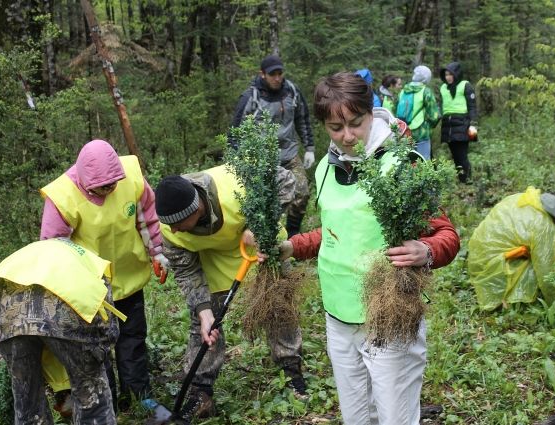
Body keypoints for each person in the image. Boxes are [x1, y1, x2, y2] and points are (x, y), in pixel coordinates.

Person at [273, 72, 460, 425]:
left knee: (395, 416)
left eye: (356, 123)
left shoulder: (402, 164)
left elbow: (447, 234)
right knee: (356, 416)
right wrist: (291, 246)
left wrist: (426, 250)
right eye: (335, 128)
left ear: (371, 112)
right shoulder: (326, 170)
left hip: (387, 316)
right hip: (338, 315)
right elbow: (335, 233)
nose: (347, 136)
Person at [154, 164, 305, 422]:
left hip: (260, 251)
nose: (174, 230)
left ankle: (291, 371)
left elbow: (289, 182)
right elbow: (186, 271)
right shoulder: (171, 227)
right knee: (204, 326)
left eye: (179, 224)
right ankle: (200, 393)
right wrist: (203, 312)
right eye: (170, 226)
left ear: (196, 208)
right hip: (214, 259)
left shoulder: (235, 181)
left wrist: (259, 221)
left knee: (279, 309)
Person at [40, 140, 171, 421]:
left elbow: (147, 218)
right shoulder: (63, 196)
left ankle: (140, 396)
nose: (111, 190)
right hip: (90, 289)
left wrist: (157, 253)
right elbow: (53, 247)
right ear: (86, 183)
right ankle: (105, 400)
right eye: (103, 188)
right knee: (96, 349)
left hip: (129, 277)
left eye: (114, 184)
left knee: (133, 339)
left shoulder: (131, 177)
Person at [0, 238, 121, 424]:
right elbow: (105, 318)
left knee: (27, 398)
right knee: (90, 391)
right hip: (61, 310)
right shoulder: (91, 264)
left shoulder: (29, 255)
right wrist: (99, 354)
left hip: (6, 314)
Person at [229, 54, 315, 238]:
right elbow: (236, 130)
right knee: (267, 200)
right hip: (263, 159)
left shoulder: (292, 91)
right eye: (272, 74)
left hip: (290, 155)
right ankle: (266, 236)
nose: (277, 78)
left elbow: (303, 119)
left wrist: (309, 148)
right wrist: (237, 159)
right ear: (262, 74)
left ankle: (293, 234)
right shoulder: (250, 97)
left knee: (302, 193)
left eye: (279, 73)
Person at [468, 187, 555, 311]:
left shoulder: (525, 199)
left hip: (479, 259)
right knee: (538, 266)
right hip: (494, 269)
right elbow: (546, 272)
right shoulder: (544, 226)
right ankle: (506, 300)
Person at [439, 61, 478, 183]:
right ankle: (462, 179)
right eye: (446, 75)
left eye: (450, 74)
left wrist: (473, 125)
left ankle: (467, 179)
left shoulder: (465, 85)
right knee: (455, 155)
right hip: (448, 126)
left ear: (456, 74)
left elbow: (472, 106)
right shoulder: (443, 88)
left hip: (463, 124)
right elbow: (442, 106)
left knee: (462, 154)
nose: (448, 77)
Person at [398, 65, 440, 160]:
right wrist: (430, 127)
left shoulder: (403, 91)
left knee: (407, 161)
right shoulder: (426, 91)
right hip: (421, 132)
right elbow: (434, 116)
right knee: (423, 161)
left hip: (404, 131)